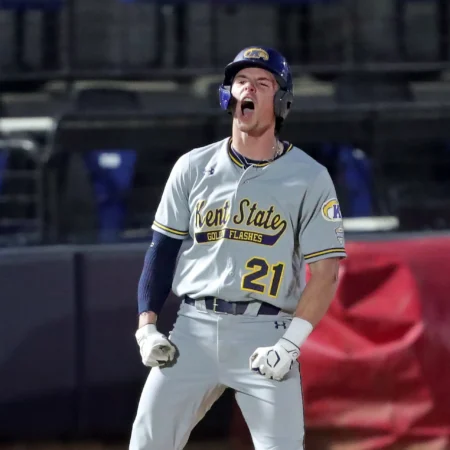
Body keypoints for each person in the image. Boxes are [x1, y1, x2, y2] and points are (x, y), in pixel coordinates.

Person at [129, 46, 347, 450]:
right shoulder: (193, 166)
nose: (249, 88)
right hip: (193, 328)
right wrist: (147, 328)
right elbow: (161, 250)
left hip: (266, 333)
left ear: (282, 101)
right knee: (146, 443)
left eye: (263, 83)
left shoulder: (309, 177)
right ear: (226, 95)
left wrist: (290, 345)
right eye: (241, 81)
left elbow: (327, 273)